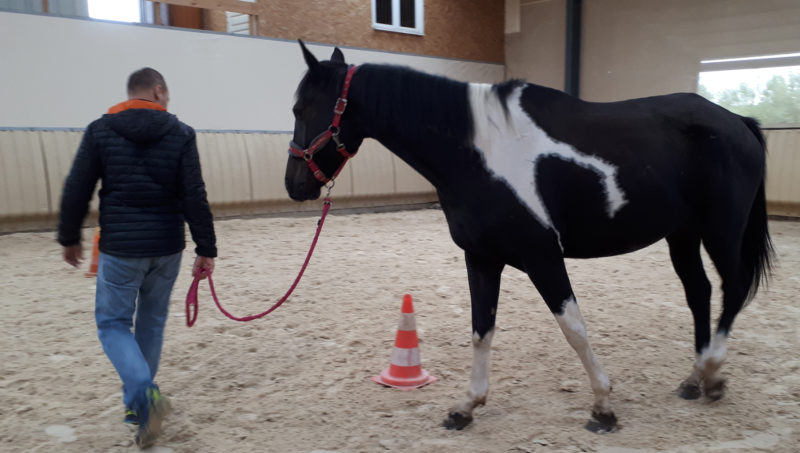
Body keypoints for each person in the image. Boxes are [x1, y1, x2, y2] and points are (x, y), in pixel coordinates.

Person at [57, 67, 216, 449]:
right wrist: (206, 247)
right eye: (168, 95)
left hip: (121, 248)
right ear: (158, 90)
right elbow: (194, 193)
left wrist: (69, 236)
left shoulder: (100, 129)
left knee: (112, 324)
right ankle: (137, 404)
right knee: (152, 320)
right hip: (166, 248)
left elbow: (79, 184)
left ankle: (143, 395)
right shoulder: (181, 133)